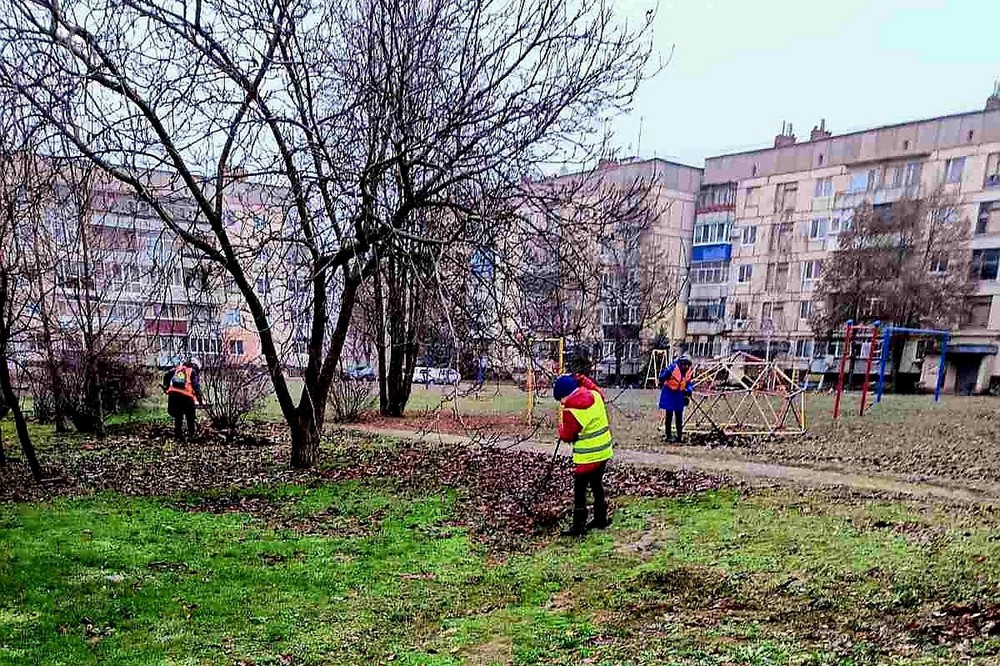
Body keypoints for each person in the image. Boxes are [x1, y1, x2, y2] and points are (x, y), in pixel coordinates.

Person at [553, 373, 614, 537]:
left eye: (561, 399)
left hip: (587, 457)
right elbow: (596, 389)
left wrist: (560, 428)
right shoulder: (596, 395)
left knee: (580, 491)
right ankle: (600, 518)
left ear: (566, 394)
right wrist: (582, 379)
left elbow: (568, 436)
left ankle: (579, 526)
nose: (561, 403)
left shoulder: (571, 409)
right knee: (596, 485)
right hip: (604, 451)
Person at [162, 358, 203, 440]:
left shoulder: (178, 369)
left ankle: (178, 435)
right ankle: (192, 434)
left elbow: (166, 375)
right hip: (186, 396)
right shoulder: (192, 371)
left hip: (173, 395)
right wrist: (200, 400)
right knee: (190, 417)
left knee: (178, 416)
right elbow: (196, 387)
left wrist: (166, 387)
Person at [658, 354, 694, 442]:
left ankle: (679, 436)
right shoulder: (672, 368)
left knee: (679, 416)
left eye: (687, 365)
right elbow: (662, 377)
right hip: (669, 392)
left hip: (679, 394)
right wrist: (665, 376)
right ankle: (668, 435)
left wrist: (689, 390)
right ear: (681, 363)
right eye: (684, 365)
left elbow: (689, 383)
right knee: (669, 415)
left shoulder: (688, 371)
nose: (685, 367)